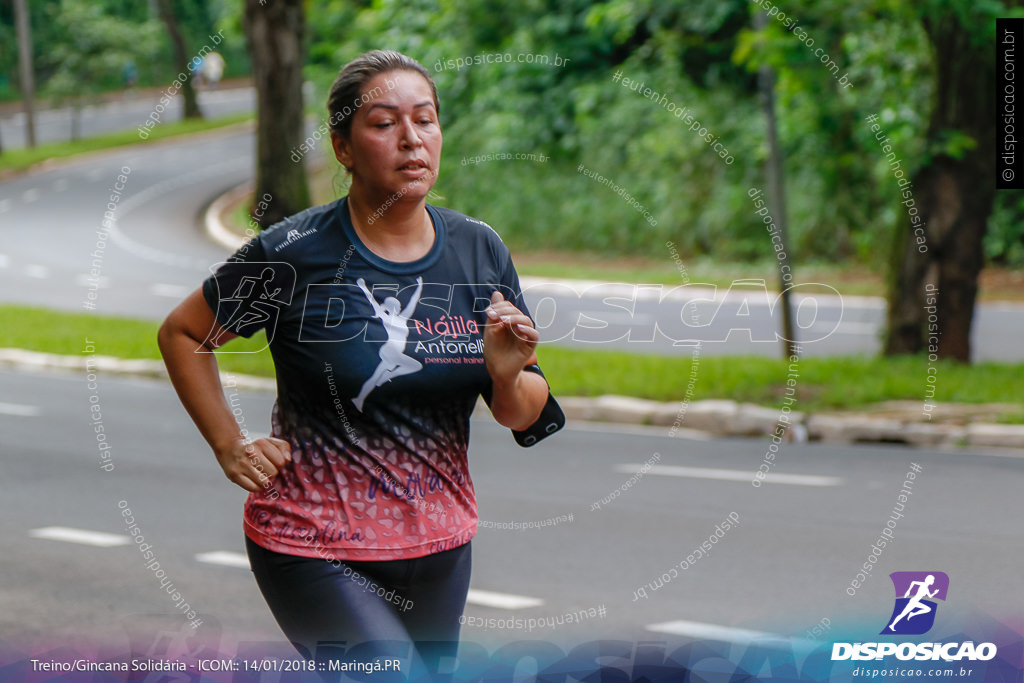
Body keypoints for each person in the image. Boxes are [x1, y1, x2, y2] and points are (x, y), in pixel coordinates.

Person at [157, 50, 564, 670]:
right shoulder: (294, 253)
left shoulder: (478, 250)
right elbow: (185, 333)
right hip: (314, 542)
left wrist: (507, 373)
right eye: (384, 124)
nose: (411, 139)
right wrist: (229, 443)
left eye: (425, 120)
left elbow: (522, 413)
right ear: (343, 148)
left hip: (440, 543)